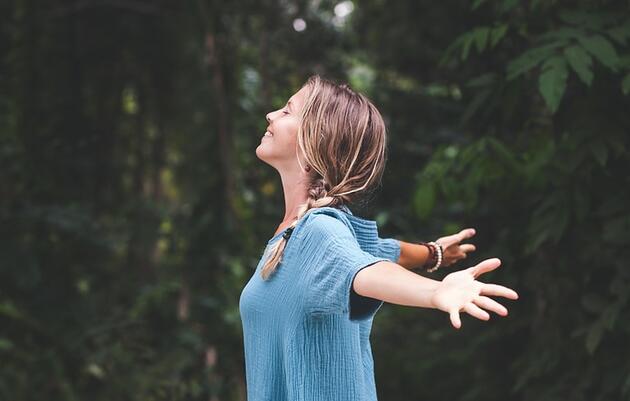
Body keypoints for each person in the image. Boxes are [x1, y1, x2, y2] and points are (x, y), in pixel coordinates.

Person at [239, 74, 519, 401]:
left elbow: (366, 271)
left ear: (317, 137)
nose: (271, 115)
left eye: (287, 111)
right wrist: (433, 255)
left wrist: (436, 292)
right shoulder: (294, 235)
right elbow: (378, 252)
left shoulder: (318, 230)